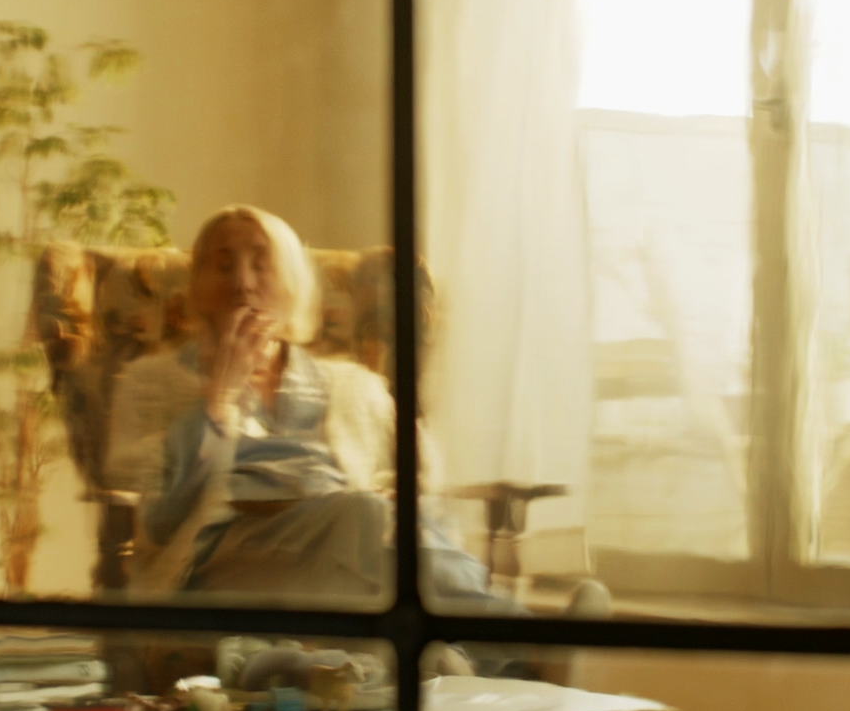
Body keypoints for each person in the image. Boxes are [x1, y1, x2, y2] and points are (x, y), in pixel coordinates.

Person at [105, 204, 607, 622]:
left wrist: (398, 493)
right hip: (219, 561)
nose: (242, 281)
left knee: (387, 528)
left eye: (261, 263)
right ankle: (526, 641)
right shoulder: (152, 385)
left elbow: (415, 477)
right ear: (195, 288)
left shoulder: (353, 387)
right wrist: (217, 400)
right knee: (366, 520)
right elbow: (161, 518)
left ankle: (482, 659)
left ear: (292, 286)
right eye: (222, 264)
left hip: (345, 548)